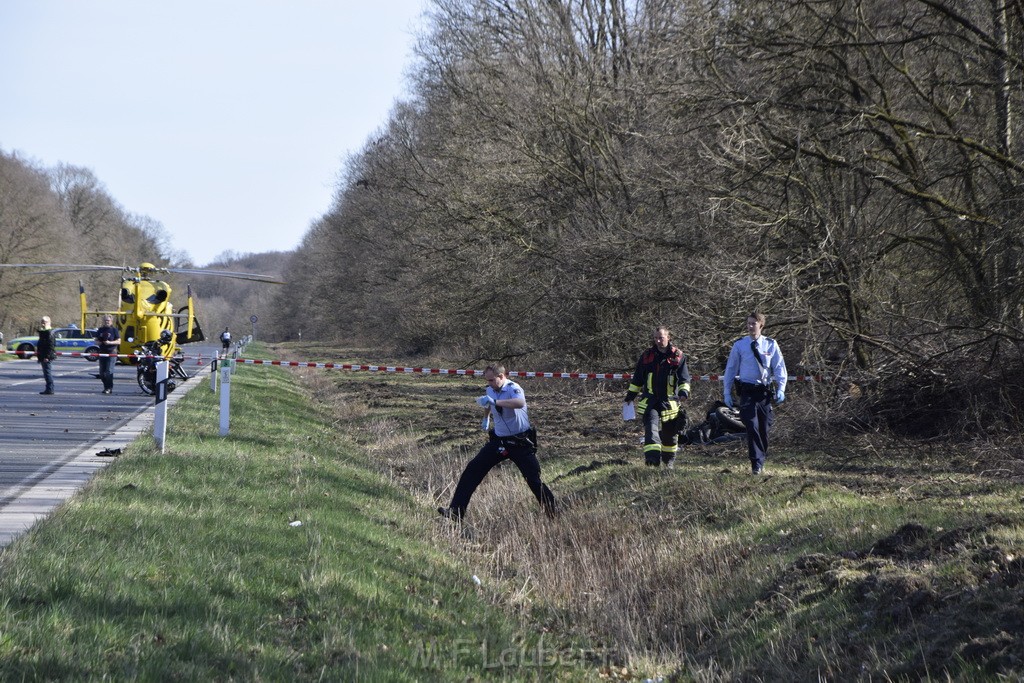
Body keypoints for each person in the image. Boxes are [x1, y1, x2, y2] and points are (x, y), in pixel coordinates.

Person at [438, 364, 556, 521]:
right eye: (487, 381)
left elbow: (519, 403)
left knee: (533, 479)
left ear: (502, 376)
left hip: (520, 442)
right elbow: (488, 403)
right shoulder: (490, 390)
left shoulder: (514, 388)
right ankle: (456, 511)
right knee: (472, 470)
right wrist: (486, 416)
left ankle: (553, 513)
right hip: (499, 441)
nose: (490, 384)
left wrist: (496, 402)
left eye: (492, 380)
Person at [723, 312, 787, 475]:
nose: (750, 326)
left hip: (763, 392)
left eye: (753, 323)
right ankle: (756, 463)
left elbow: (779, 367)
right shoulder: (740, 345)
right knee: (752, 426)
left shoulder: (770, 344)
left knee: (764, 428)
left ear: (761, 325)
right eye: (748, 323)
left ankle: (761, 456)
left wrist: (781, 388)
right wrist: (727, 393)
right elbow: (731, 369)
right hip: (747, 391)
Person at [624, 326, 692, 467]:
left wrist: (683, 393)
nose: (658, 341)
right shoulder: (647, 356)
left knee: (669, 435)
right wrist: (630, 395)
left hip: (670, 402)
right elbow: (637, 378)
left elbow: (684, 379)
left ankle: (668, 463)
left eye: (661, 337)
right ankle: (652, 460)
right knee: (651, 429)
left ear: (668, 337)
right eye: (656, 338)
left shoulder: (678, 356)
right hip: (650, 401)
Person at [94, 315, 121, 394]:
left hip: (111, 352)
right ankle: (106, 386)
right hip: (102, 352)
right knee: (102, 373)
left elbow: (119, 341)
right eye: (105, 320)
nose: (107, 322)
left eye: (108, 320)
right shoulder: (100, 330)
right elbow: (96, 340)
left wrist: (110, 343)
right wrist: (98, 342)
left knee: (109, 371)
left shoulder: (114, 330)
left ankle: (109, 388)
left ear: (111, 321)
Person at [36, 316, 57, 395]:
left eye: (44, 322)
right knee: (46, 373)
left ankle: (50, 389)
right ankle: (48, 388)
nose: (42, 324)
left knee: (48, 373)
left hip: (46, 356)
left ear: (48, 323)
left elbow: (51, 346)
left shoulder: (49, 332)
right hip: (42, 355)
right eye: (42, 322)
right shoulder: (43, 332)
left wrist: (47, 357)